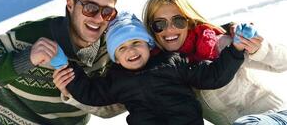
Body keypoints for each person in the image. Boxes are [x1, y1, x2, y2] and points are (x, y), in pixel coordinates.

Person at [0, 0, 125, 125]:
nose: (99, 19)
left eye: (107, 12)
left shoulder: (111, 50)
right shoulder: (27, 37)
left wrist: (74, 94)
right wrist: (24, 59)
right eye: (90, 8)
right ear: (70, 4)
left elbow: (114, 106)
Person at [53, 11, 245, 125]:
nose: (131, 50)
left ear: (149, 44)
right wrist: (65, 66)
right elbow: (91, 93)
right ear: (116, 58)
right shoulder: (116, 79)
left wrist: (235, 49)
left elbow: (212, 76)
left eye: (136, 42)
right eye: (122, 48)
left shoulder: (173, 61)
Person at [142, 0, 287, 125]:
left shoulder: (221, 44)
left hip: (273, 116)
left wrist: (258, 49)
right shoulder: (164, 69)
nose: (169, 29)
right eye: (159, 24)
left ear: (189, 22)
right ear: (151, 29)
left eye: (178, 21)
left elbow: (284, 62)